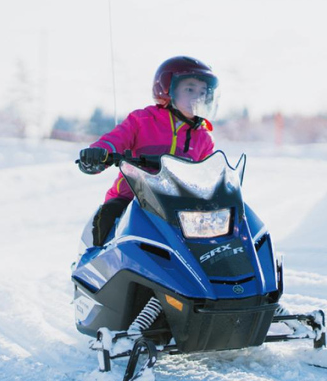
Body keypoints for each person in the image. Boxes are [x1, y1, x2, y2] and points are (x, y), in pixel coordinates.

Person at [78, 56, 220, 246]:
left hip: (179, 206)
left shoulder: (203, 137)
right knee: (108, 214)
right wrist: (98, 153)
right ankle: (98, 259)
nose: (197, 96)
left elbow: (209, 174)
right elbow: (115, 139)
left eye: (203, 91)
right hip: (132, 197)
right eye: (189, 89)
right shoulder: (142, 120)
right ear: (168, 90)